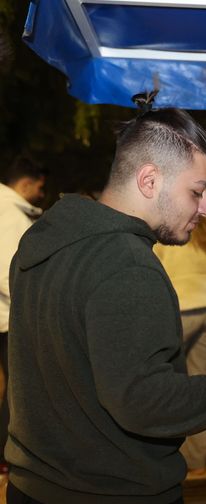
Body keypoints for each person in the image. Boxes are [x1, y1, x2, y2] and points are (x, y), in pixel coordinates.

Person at [5, 108, 206, 504]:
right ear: (150, 180)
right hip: (113, 493)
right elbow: (146, 403)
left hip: (34, 487)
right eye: (196, 191)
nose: (205, 208)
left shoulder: (44, 241)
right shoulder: (125, 264)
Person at [154, 216, 206, 475]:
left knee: (164, 387)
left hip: (179, 309)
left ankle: (167, 461)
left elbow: (154, 265)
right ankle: (197, 462)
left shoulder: (168, 219)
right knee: (200, 383)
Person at [0, 156, 46, 474]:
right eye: (40, 188)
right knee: (17, 390)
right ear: (25, 184)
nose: (42, 195)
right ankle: (7, 454)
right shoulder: (11, 215)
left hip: (5, 314)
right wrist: (30, 307)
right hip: (8, 316)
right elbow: (8, 272)